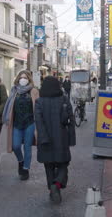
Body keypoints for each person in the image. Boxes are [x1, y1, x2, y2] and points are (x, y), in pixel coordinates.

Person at [35, 76, 76, 204]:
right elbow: (71, 120)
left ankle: (52, 189)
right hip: (61, 138)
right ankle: (57, 185)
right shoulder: (63, 99)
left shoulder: (39, 102)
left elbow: (39, 123)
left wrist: (42, 138)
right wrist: (71, 139)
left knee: (49, 165)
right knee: (64, 163)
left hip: (45, 139)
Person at [2, 70, 39, 181]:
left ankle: (25, 169)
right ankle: (20, 161)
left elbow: (38, 107)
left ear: (29, 79)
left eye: (25, 78)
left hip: (30, 123)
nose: (23, 79)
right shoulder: (14, 90)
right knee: (16, 146)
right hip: (17, 123)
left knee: (27, 147)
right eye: (21, 77)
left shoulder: (34, 91)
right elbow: (9, 105)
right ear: (18, 79)